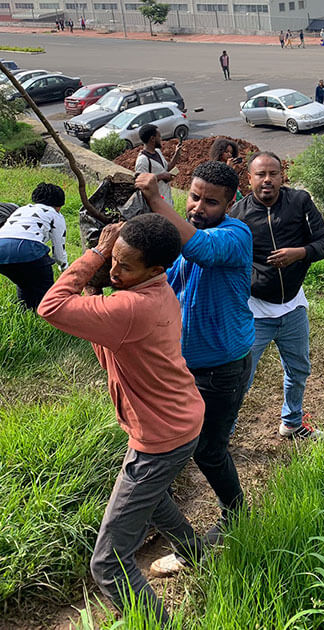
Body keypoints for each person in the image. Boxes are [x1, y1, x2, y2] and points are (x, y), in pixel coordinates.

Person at [37, 215, 205, 624]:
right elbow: (107, 338)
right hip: (181, 420)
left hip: (160, 436)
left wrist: (94, 254)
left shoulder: (131, 307)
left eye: (124, 266)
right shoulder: (156, 291)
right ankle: (195, 552)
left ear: (155, 270)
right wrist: (106, 268)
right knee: (149, 496)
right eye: (113, 259)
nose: (114, 269)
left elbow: (51, 306)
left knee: (108, 563)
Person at [134, 162, 255, 570]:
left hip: (222, 367)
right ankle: (157, 521)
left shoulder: (236, 235)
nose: (199, 207)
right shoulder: (181, 239)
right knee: (169, 450)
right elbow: (160, 280)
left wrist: (155, 199)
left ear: (231, 202)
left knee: (208, 449)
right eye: (194, 196)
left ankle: (235, 513)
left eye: (210, 201)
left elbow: (200, 249)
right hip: (181, 368)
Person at [230, 152, 324, 439]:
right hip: (255, 311)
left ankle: (291, 422)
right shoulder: (237, 216)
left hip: (293, 307)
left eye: (273, 173)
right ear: (249, 178)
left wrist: (299, 254)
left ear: (282, 176)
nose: (267, 180)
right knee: (242, 377)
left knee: (299, 367)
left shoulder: (299, 202)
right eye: (260, 174)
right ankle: (222, 432)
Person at [0, 183, 67, 311]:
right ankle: (51, 319)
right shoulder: (55, 215)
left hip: (1, 249)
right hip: (27, 247)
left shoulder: (21, 209)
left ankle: (27, 313)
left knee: (24, 281)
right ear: (59, 205)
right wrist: (65, 269)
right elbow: (59, 250)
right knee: (46, 289)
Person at [134, 124, 181, 207]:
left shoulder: (157, 152)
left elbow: (168, 168)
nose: (161, 139)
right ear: (152, 138)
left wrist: (177, 153)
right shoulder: (143, 161)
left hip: (167, 201)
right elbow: (141, 184)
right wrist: (161, 176)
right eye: (159, 137)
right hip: (156, 207)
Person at [209, 137, 244, 201]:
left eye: (231, 152)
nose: (229, 154)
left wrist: (235, 172)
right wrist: (228, 168)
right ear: (219, 152)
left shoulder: (230, 164)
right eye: (226, 152)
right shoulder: (214, 167)